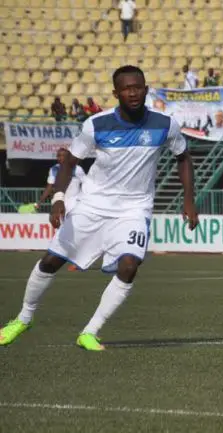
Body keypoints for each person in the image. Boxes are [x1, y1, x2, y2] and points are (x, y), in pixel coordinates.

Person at [0, 65, 199, 351]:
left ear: (146, 89)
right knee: (50, 261)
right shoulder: (96, 125)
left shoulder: (165, 124)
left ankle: (90, 332)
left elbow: (183, 158)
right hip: (92, 205)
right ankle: (23, 318)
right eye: (126, 89)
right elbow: (70, 161)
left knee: (129, 265)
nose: (133, 93)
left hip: (134, 209)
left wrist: (189, 199)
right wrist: (58, 199)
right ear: (116, 93)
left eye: (138, 87)